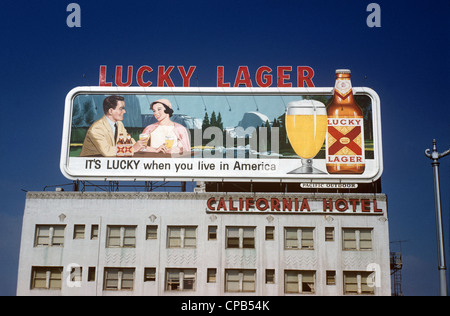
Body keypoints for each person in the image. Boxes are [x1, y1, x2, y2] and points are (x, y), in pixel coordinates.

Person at [80, 95, 145, 157]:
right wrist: (132, 149)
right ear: (111, 111)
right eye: (121, 108)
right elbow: (107, 151)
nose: (124, 111)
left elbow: (128, 140)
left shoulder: (119, 124)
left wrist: (140, 145)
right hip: (91, 164)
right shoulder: (96, 128)